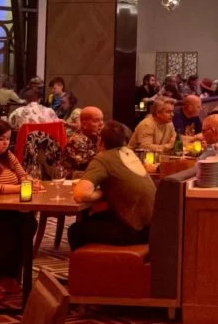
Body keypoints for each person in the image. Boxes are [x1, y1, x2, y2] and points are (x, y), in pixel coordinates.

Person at [69, 121, 156, 250]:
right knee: (96, 218)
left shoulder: (103, 158)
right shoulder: (129, 154)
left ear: (101, 142)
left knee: (75, 230)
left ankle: (88, 269)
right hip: (152, 229)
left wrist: (103, 193)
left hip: (134, 232)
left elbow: (80, 195)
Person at [0, 118, 42, 293]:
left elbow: (23, 175)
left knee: (28, 223)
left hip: (11, 208)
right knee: (8, 230)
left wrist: (32, 182)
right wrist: (20, 188)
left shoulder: (8, 156)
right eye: (1, 138)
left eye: (8, 139)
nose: (5, 143)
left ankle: (10, 275)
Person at [63, 105, 104, 176]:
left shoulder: (96, 136)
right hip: (75, 177)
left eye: (101, 119)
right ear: (84, 124)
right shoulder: (76, 141)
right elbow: (93, 164)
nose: (101, 124)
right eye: (96, 120)